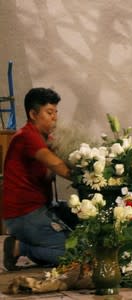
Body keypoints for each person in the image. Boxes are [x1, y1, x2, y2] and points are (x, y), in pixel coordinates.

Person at [2, 87, 73, 270]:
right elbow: (56, 165)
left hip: (39, 207)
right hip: (24, 213)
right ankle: (18, 248)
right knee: (73, 253)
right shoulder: (28, 136)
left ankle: (42, 246)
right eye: (49, 112)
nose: (55, 118)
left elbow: (48, 173)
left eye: (56, 112)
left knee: (75, 215)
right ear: (33, 114)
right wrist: (82, 175)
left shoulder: (44, 137)